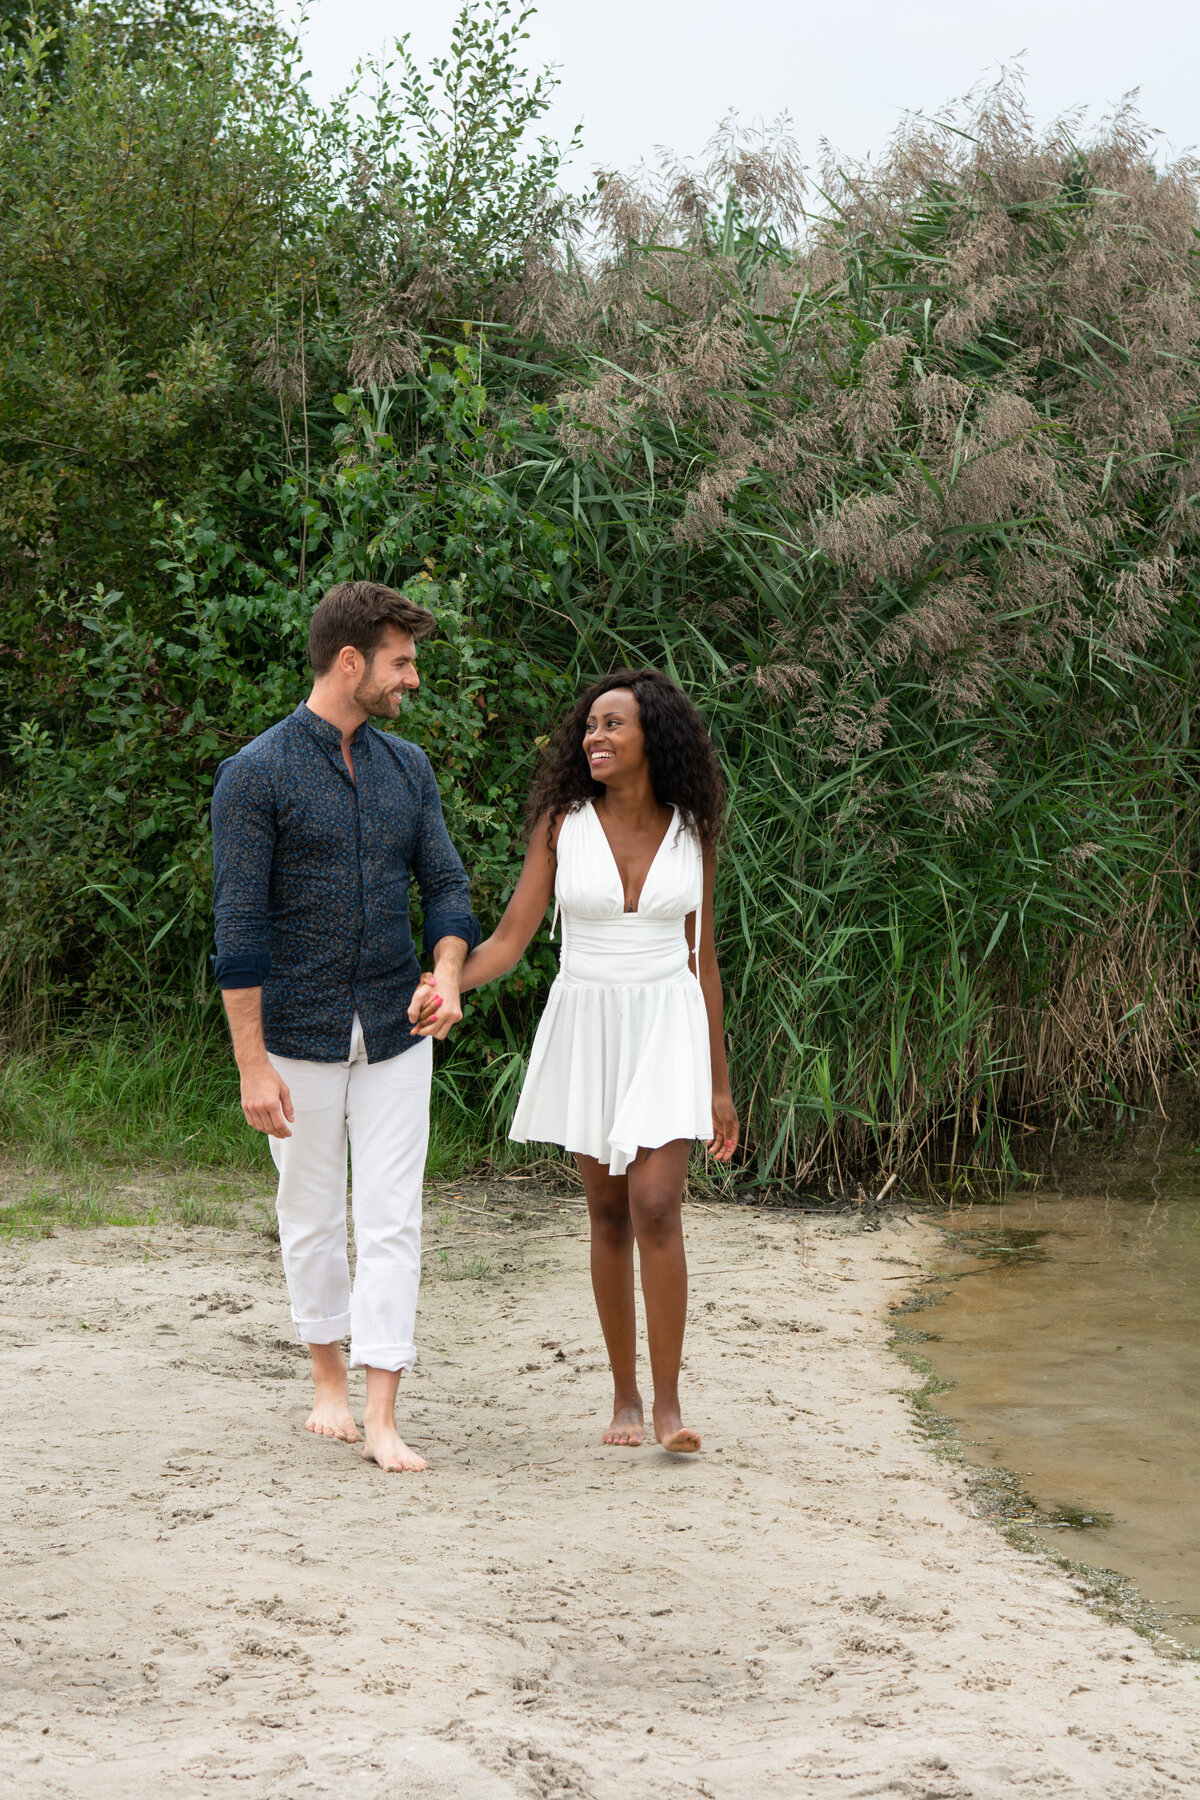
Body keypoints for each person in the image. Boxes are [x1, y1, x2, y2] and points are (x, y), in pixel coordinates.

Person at [411, 670, 737, 1453]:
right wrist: (446, 978)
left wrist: (721, 1086)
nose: (594, 737)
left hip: (666, 1022)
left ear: (651, 738)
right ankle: (622, 1398)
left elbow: (706, 961)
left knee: (657, 1203)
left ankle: (667, 1406)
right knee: (609, 1212)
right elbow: (513, 941)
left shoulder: (695, 831)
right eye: (590, 726)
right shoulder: (562, 825)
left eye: (612, 725)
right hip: (588, 1018)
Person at [211, 580, 479, 1474]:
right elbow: (238, 933)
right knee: (314, 1215)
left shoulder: (410, 768)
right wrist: (252, 1065)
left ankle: (384, 1410)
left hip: (398, 1029)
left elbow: (445, 885)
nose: (412, 679)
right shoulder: (256, 773)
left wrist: (443, 973)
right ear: (352, 660)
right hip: (296, 1031)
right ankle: (328, 1383)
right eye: (402, 662)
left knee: (395, 1217)